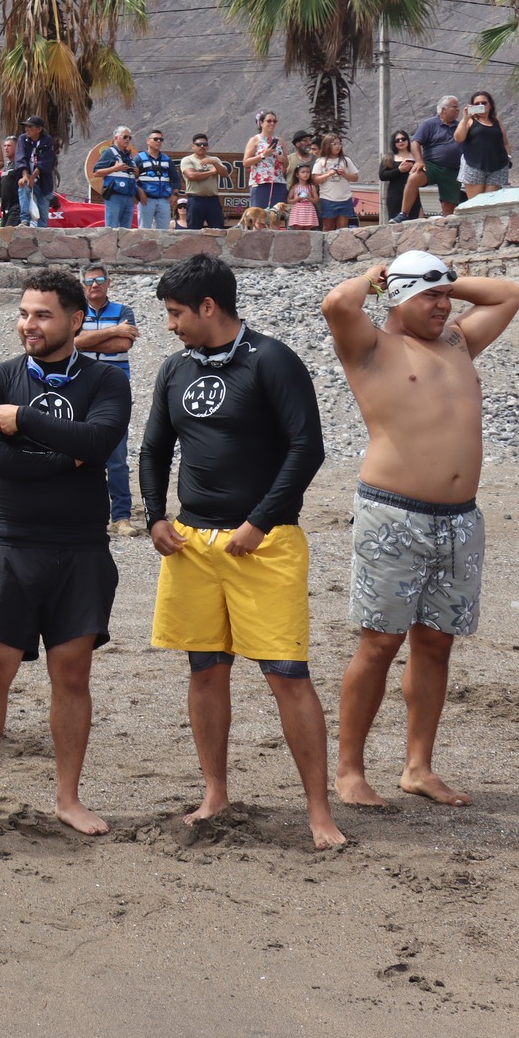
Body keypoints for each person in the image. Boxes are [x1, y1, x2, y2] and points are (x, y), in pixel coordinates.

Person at [139, 254, 344, 851]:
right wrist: (154, 516)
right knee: (205, 669)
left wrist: (259, 522)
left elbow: (307, 448)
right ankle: (215, 792)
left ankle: (319, 811)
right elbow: (153, 449)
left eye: (177, 313)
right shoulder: (175, 369)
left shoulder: (272, 360)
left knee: (286, 674)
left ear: (209, 306)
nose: (170, 324)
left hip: (266, 545)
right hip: (192, 545)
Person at [323, 252, 519, 811]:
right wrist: (375, 275)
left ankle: (418, 768)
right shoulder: (370, 349)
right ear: (395, 297)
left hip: (459, 519)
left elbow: (510, 292)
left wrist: (446, 278)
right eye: (429, 297)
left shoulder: (458, 343)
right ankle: (350, 770)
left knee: (436, 644)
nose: (443, 306)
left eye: (447, 297)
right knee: (380, 644)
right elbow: (338, 303)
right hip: (393, 514)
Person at [0, 268, 130, 835]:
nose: (29, 323)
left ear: (76, 321)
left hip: (81, 546)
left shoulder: (106, 381)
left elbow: (101, 442)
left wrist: (25, 422)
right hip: (12, 543)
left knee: (72, 675)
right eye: (25, 313)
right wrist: (67, 456)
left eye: (42, 314)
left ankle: (68, 798)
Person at [73, 266, 138, 537]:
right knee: (79, 453)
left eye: (100, 279)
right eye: (89, 280)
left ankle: (121, 517)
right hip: (81, 387)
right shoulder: (76, 313)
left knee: (117, 456)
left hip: (114, 389)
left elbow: (123, 345)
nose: (95, 284)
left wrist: (87, 341)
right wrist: (113, 331)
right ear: (83, 285)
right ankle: (86, 514)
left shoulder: (125, 311)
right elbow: (72, 343)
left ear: (108, 283)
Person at [397, 97, 463, 219]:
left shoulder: (460, 126)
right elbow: (415, 143)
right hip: (432, 166)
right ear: (444, 109)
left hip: (452, 170)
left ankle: (447, 228)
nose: (458, 109)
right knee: (414, 178)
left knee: (449, 207)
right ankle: (403, 214)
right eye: (454, 107)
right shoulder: (429, 124)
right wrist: (419, 161)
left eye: (458, 107)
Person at [455, 90, 510, 200]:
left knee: (489, 202)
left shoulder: (496, 121)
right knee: (476, 203)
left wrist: (508, 157)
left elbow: (505, 142)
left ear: (490, 105)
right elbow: (458, 138)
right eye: (476, 104)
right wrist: (465, 118)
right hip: (474, 165)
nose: (480, 105)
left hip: (497, 167)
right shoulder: (470, 120)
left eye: (484, 103)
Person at [87, 128, 140, 229]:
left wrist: (136, 173)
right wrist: (115, 168)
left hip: (129, 196)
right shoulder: (109, 153)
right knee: (112, 227)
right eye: (125, 137)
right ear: (116, 138)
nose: (127, 139)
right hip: (114, 195)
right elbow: (96, 172)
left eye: (129, 137)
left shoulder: (129, 156)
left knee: (126, 229)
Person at [12, 116, 57, 227]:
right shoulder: (23, 139)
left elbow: (46, 161)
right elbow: (20, 156)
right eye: (26, 126)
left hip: (43, 182)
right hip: (27, 175)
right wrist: (25, 176)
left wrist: (33, 177)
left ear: (39, 129)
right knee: (23, 185)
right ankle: (25, 220)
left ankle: (42, 235)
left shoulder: (47, 140)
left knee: (43, 214)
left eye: (30, 127)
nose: (26, 129)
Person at [311, 134, 361, 230]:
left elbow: (355, 177)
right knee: (328, 228)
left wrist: (345, 174)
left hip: (345, 198)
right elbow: (315, 180)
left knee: (343, 228)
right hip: (328, 198)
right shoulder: (321, 161)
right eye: (334, 144)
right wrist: (328, 174)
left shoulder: (346, 160)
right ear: (327, 145)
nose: (338, 146)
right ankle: (326, 245)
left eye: (339, 143)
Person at [242, 111, 289, 212]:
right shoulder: (255, 140)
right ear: (261, 123)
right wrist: (263, 155)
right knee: (259, 218)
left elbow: (287, 164)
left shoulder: (280, 141)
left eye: (274, 121)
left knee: (276, 217)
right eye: (269, 121)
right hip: (260, 183)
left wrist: (283, 160)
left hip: (278, 182)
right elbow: (245, 162)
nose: (272, 123)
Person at [180, 135, 228, 230]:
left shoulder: (215, 160)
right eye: (198, 144)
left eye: (205, 144)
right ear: (193, 146)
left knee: (218, 230)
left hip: (212, 200)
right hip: (195, 199)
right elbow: (192, 176)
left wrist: (214, 163)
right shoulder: (188, 160)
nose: (202, 146)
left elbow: (225, 174)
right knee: (194, 230)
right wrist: (212, 172)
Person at [135, 130, 177, 230]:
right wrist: (139, 191)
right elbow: (132, 178)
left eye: (161, 139)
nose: (158, 141)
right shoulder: (139, 158)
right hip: (146, 200)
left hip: (164, 200)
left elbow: (175, 178)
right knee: (144, 230)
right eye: (155, 139)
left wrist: (175, 194)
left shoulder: (167, 159)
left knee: (164, 231)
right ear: (148, 141)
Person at [379, 128, 419, 221]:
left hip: (413, 195)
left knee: (414, 223)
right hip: (395, 196)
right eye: (397, 140)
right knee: (395, 224)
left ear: (408, 140)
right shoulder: (389, 157)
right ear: (393, 143)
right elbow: (382, 176)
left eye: (403, 139)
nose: (401, 141)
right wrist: (399, 170)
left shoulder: (416, 156)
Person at [285, 162, 319, 228]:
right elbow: (288, 200)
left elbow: (316, 200)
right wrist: (297, 199)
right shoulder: (294, 187)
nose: (305, 174)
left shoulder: (311, 187)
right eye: (303, 172)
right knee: (297, 228)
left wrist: (309, 198)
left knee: (308, 228)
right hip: (297, 210)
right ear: (297, 175)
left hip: (308, 210)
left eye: (307, 172)